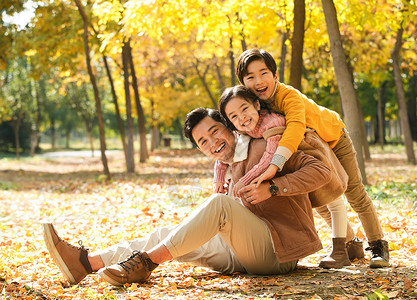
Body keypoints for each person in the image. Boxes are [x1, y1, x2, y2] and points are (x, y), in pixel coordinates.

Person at [43, 108, 338, 287]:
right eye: (203, 141)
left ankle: (146, 263)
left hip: (277, 251)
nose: (213, 142)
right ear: (200, 149)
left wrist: (274, 187)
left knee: (218, 205)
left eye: (216, 131)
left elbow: (321, 170)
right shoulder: (226, 166)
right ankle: (85, 263)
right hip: (241, 250)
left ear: (229, 126)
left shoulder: (269, 147)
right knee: (165, 233)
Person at [235, 48, 389, 268]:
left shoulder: (289, 96)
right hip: (310, 148)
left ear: (275, 75)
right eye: (250, 77)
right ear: (243, 82)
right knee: (322, 200)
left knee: (354, 192)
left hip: (334, 139)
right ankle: (349, 244)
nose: (258, 81)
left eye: (263, 73)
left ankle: (378, 246)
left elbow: (295, 127)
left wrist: (274, 164)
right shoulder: (252, 105)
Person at [214, 85, 351, 268]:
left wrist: (244, 181)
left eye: (244, 109)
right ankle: (353, 243)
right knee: (319, 204)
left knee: (333, 200)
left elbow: (269, 159)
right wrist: (219, 179)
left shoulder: (272, 123)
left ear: (256, 105)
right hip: (287, 162)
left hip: (306, 151)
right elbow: (222, 158)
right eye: (234, 117)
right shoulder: (243, 129)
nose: (242, 118)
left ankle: (340, 250)